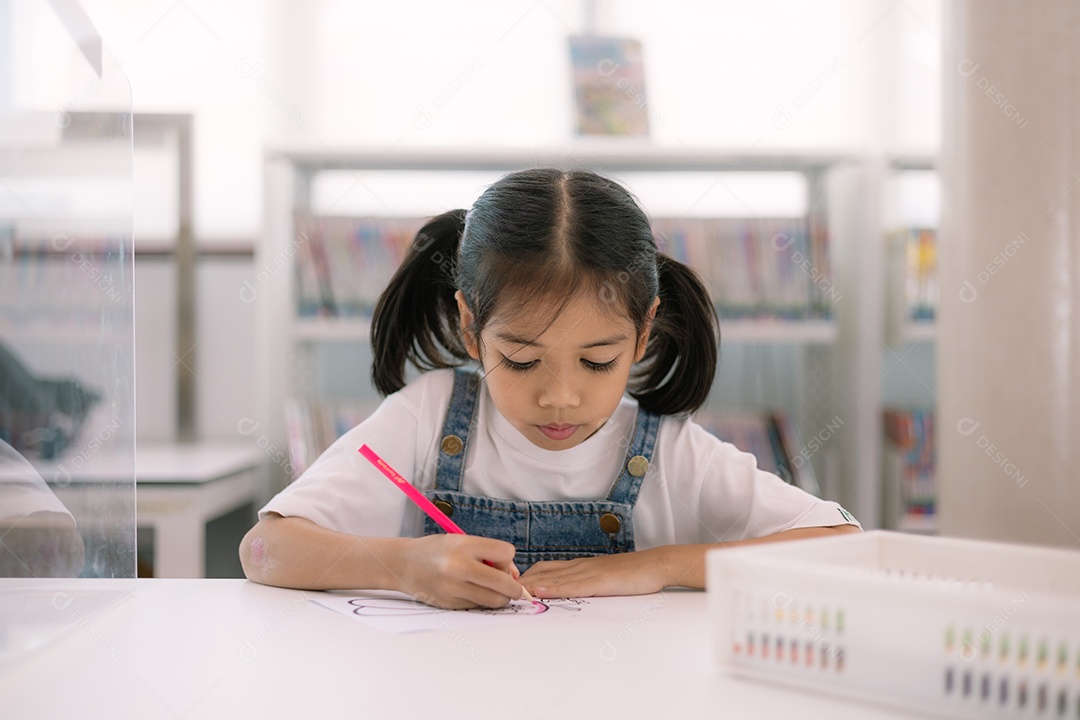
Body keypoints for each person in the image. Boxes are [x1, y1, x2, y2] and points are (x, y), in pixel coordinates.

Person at [240, 168, 860, 609]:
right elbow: (266, 549)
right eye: (520, 360)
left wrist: (658, 566)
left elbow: (842, 553)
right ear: (470, 326)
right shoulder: (428, 417)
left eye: (595, 362)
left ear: (644, 332)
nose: (560, 397)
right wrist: (405, 567)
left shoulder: (670, 451)